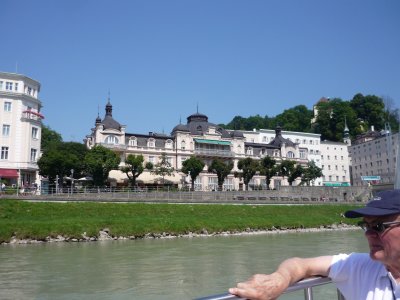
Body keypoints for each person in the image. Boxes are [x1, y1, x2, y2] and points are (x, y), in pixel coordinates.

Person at [229, 189, 400, 300]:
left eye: (378, 226)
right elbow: (300, 265)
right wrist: (279, 279)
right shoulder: (360, 267)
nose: (369, 234)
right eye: (366, 226)